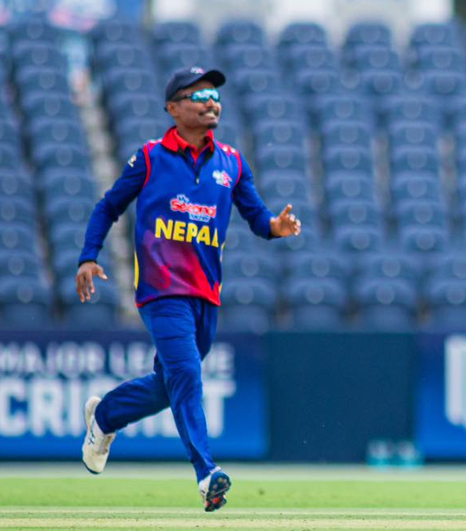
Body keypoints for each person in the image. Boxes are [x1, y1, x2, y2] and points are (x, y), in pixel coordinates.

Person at [76, 66, 302, 512]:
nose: (211, 101)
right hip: (161, 291)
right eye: (199, 95)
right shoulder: (151, 157)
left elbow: (258, 219)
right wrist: (88, 256)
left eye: (215, 94)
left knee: (171, 384)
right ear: (173, 108)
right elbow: (108, 207)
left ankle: (105, 416)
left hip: (205, 296)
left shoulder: (232, 162)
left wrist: (276, 226)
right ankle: (206, 473)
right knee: (187, 375)